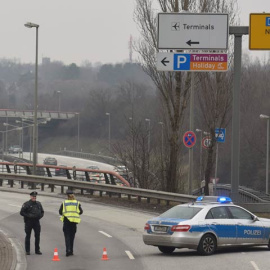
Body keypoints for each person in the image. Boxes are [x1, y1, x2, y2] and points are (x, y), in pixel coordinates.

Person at [59, 190, 83, 257]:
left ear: (67, 196)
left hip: (66, 222)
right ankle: (71, 251)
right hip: (74, 222)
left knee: (67, 236)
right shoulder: (77, 203)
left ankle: (68, 250)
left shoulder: (64, 203)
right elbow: (81, 212)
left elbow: (60, 212)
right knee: (72, 237)